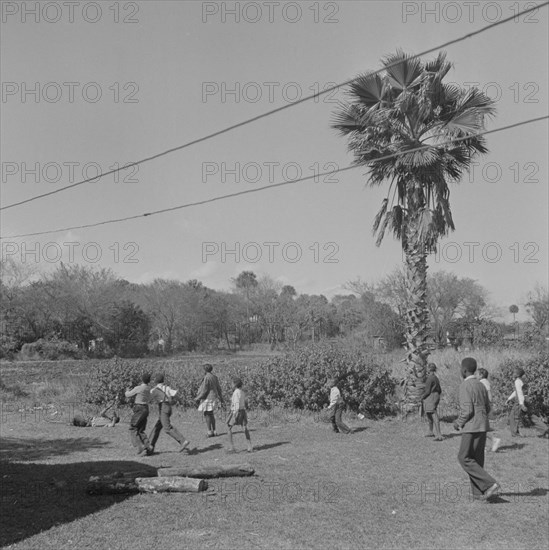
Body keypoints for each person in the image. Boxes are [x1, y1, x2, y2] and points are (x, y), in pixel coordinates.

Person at [454, 357, 499, 502]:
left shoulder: (465, 386)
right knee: (477, 459)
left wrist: (458, 423)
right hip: (482, 426)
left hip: (471, 427)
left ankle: (490, 483)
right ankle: (479, 493)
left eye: (461, 368)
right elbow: (487, 407)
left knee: (464, 458)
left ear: (464, 370)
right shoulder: (481, 385)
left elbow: (467, 410)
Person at [148, 373, 190, 453]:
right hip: (168, 407)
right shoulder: (166, 387)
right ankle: (150, 446)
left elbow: (149, 397)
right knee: (157, 427)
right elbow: (175, 394)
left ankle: (183, 441)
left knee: (167, 428)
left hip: (163, 408)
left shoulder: (154, 390)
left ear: (156, 381)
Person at [506, 367, 548, 438]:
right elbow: (517, 391)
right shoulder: (521, 380)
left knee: (513, 417)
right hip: (526, 399)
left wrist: (521, 404)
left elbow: (519, 393)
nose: (512, 374)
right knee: (531, 416)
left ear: (518, 374)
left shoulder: (517, 381)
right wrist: (509, 398)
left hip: (520, 401)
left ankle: (516, 434)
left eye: (514, 373)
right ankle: (545, 430)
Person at [125, 372, 154, 456]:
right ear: (149, 380)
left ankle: (140, 446)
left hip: (139, 408)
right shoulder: (149, 389)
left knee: (133, 428)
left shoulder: (138, 388)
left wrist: (127, 390)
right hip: (146, 408)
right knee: (141, 430)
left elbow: (128, 395)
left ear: (142, 379)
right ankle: (148, 445)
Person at [196, 363, 224, 437]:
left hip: (208, 397)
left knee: (207, 414)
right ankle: (214, 431)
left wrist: (198, 398)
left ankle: (209, 432)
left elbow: (205, 390)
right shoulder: (214, 377)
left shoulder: (207, 378)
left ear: (205, 370)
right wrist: (221, 398)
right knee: (211, 414)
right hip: (214, 397)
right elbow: (219, 388)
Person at [226, 377, 253, 453]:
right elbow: (244, 402)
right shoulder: (242, 392)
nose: (231, 385)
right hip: (243, 411)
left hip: (236, 411)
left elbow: (236, 403)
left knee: (229, 427)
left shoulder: (236, 392)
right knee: (244, 428)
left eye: (232, 383)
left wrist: (235, 414)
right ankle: (249, 446)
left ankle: (231, 448)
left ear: (235, 384)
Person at [477, 368, 501, 452]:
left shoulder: (483, 382)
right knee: (482, 428)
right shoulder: (484, 382)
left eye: (477, 374)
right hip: (483, 407)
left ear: (481, 375)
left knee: (481, 428)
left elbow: (489, 394)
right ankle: (484, 446)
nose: (476, 375)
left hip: (483, 407)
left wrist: (488, 404)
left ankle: (490, 442)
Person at [421, 363, 443, 441]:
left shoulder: (430, 378)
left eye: (427, 368)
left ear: (429, 369)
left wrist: (422, 397)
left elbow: (427, 391)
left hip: (431, 396)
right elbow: (440, 390)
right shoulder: (435, 378)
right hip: (435, 395)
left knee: (433, 413)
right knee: (429, 413)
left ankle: (439, 434)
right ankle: (431, 432)